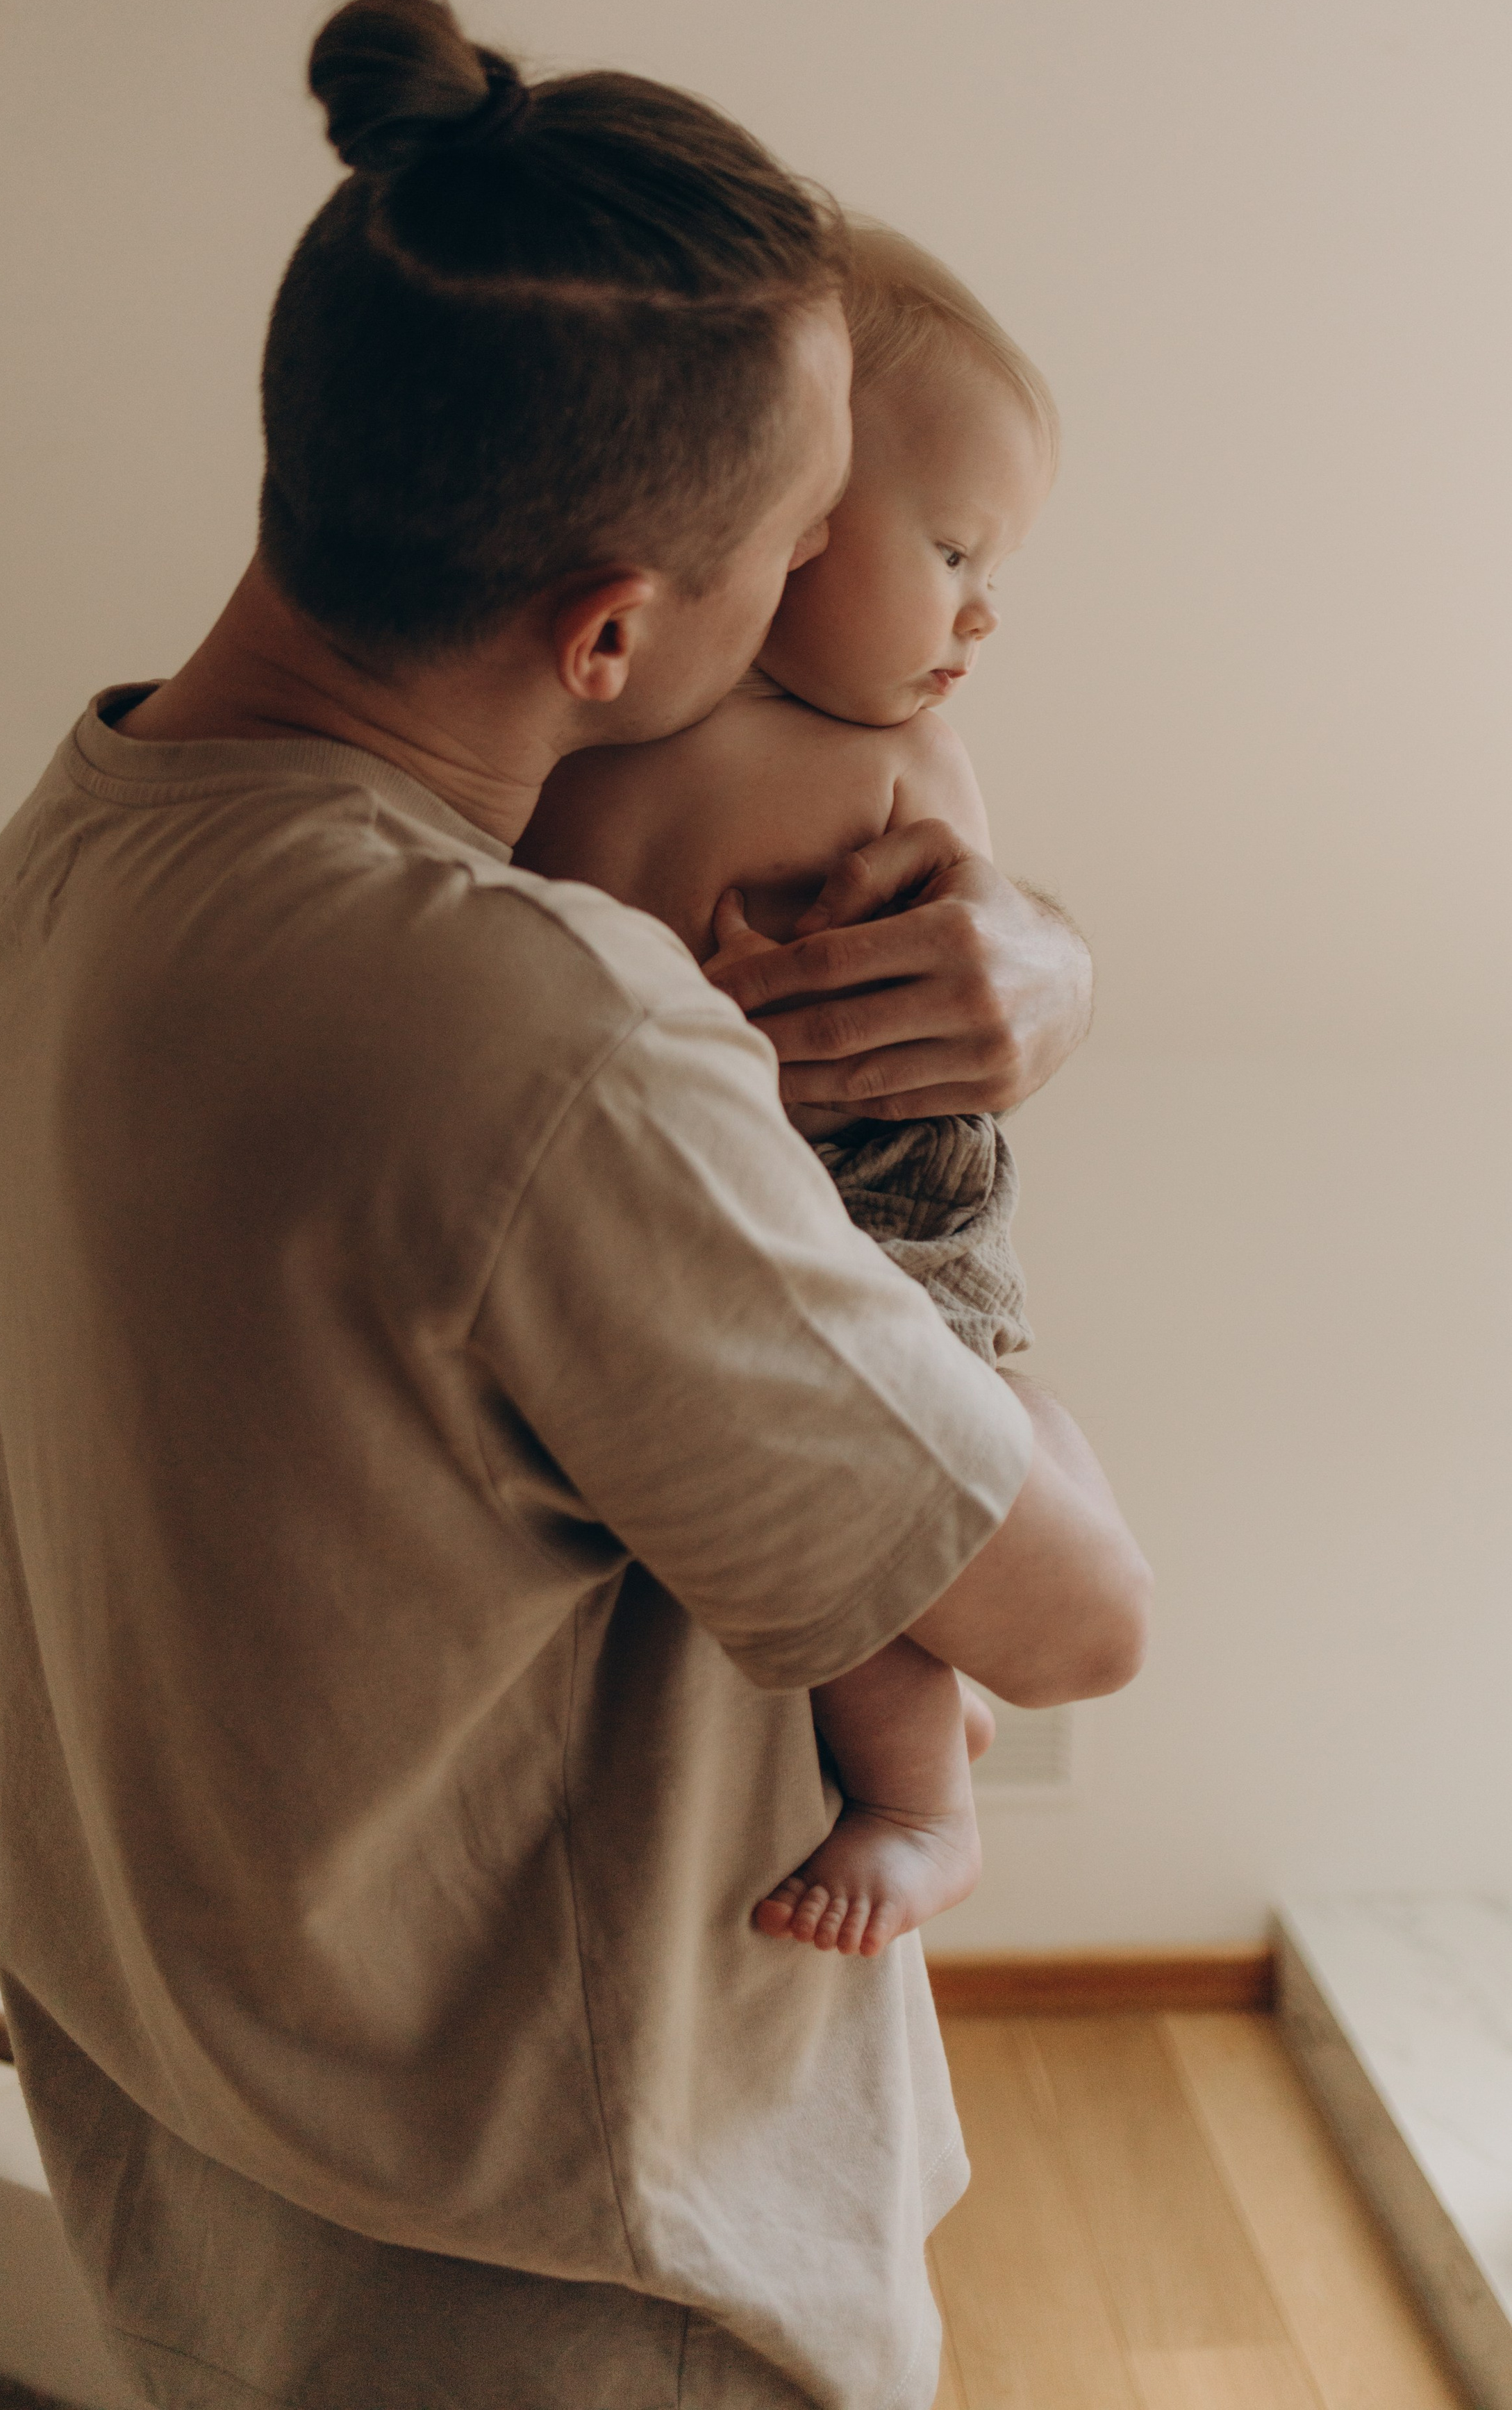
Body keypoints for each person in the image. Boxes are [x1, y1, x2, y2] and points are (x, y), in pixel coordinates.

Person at [0, 0, 1149, 2410]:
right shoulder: (553, 1050)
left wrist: (1026, 956)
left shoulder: (81, 839)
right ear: (617, 630)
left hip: (225, 2172)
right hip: (574, 2273)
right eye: (796, 545)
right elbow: (1072, 1619)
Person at [520, 222, 1058, 1963]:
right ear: (797, 519)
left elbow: (957, 1008)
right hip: (689, 1186)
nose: (981, 610)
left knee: (837, 1506)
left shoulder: (908, 750)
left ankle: (918, 1802)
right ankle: (926, 1706)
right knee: (773, 1526)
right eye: (955, 548)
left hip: (875, 1194)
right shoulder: (603, 719)